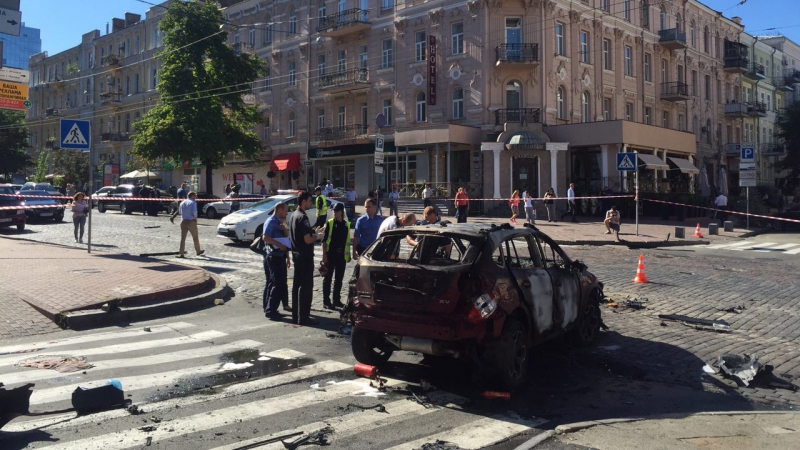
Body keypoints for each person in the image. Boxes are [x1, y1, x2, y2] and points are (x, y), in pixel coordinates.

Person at [289, 191, 320, 325]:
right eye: (310, 201)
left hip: (296, 255)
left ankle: (296, 315)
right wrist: (317, 236)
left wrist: (313, 231)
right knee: (306, 287)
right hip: (305, 256)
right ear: (303, 202)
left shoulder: (293, 215)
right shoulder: (303, 217)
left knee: (297, 286)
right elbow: (307, 239)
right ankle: (303, 317)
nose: (311, 203)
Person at [262, 202, 291, 320]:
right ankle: (270, 310)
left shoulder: (280, 222)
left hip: (281, 256)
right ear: (280, 210)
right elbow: (265, 237)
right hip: (273, 257)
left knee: (277, 283)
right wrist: (279, 245)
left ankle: (271, 308)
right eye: (285, 211)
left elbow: (286, 238)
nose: (286, 213)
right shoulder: (271, 221)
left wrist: (284, 230)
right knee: (276, 283)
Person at [321, 203, 350, 310]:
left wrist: (348, 254)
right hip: (330, 254)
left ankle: (336, 300)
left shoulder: (346, 224)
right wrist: (324, 255)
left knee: (339, 279)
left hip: (341, 256)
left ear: (341, 212)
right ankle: (326, 301)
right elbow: (324, 241)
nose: (334, 212)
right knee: (327, 278)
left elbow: (347, 241)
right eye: (333, 210)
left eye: (336, 210)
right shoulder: (330, 223)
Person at [170, 191, 205, 258]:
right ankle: (198, 251)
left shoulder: (182, 202)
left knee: (183, 238)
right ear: (192, 196)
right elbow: (194, 212)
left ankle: (181, 253)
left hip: (183, 221)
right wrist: (196, 220)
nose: (196, 197)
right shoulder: (193, 202)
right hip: (191, 221)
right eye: (195, 196)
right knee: (195, 237)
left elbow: (180, 212)